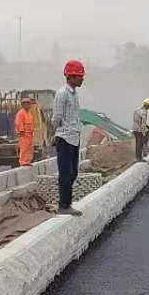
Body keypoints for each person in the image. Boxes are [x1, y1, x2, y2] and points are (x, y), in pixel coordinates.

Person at [52, 60, 85, 216]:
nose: (82, 79)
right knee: (65, 173)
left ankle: (67, 203)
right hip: (64, 138)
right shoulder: (62, 94)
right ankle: (64, 205)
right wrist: (58, 132)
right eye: (80, 77)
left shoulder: (74, 94)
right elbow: (57, 117)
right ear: (71, 77)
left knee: (73, 173)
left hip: (74, 137)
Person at [14, 96, 37, 167]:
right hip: (24, 134)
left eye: (28, 104)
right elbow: (18, 123)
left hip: (29, 135)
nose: (27, 105)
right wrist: (21, 131)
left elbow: (31, 124)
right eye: (25, 104)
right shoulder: (20, 113)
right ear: (22, 105)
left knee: (29, 148)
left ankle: (27, 161)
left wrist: (32, 132)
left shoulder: (29, 114)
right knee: (24, 148)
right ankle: (23, 162)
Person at [132, 97, 149, 162]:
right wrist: (144, 133)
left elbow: (137, 120)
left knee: (137, 143)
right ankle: (139, 158)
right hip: (139, 130)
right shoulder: (144, 112)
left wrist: (147, 126)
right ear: (147, 105)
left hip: (135, 128)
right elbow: (143, 123)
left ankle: (137, 157)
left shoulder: (137, 110)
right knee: (140, 143)